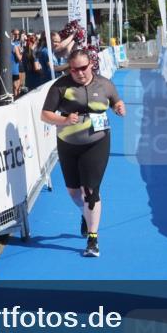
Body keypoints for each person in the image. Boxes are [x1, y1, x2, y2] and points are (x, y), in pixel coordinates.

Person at [40, 48, 125, 258]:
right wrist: (64, 120)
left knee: (90, 190)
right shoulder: (60, 86)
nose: (79, 73)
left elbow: (116, 100)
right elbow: (45, 114)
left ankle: (93, 239)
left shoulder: (104, 83)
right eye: (74, 69)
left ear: (91, 65)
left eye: (83, 68)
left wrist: (119, 108)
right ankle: (86, 214)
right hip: (68, 142)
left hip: (97, 141)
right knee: (73, 191)